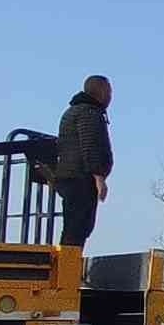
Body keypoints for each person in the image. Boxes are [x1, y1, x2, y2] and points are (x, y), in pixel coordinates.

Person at [54, 75, 114, 248]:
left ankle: (68, 263)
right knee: (78, 227)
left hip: (70, 176)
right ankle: (68, 267)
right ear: (101, 91)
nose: (110, 96)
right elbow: (91, 144)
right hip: (80, 178)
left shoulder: (74, 111)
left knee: (75, 225)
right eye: (109, 91)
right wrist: (99, 178)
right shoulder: (89, 113)